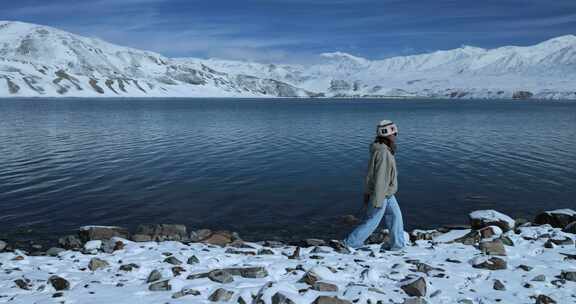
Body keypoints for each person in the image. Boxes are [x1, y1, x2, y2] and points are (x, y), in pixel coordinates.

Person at [343, 119, 407, 250]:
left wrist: (369, 192)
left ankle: (398, 245)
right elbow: (380, 178)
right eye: (394, 133)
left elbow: (372, 175)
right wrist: (378, 198)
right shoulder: (383, 152)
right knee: (373, 220)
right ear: (388, 134)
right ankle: (350, 243)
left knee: (396, 217)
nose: (396, 136)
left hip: (387, 192)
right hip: (382, 192)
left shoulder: (383, 149)